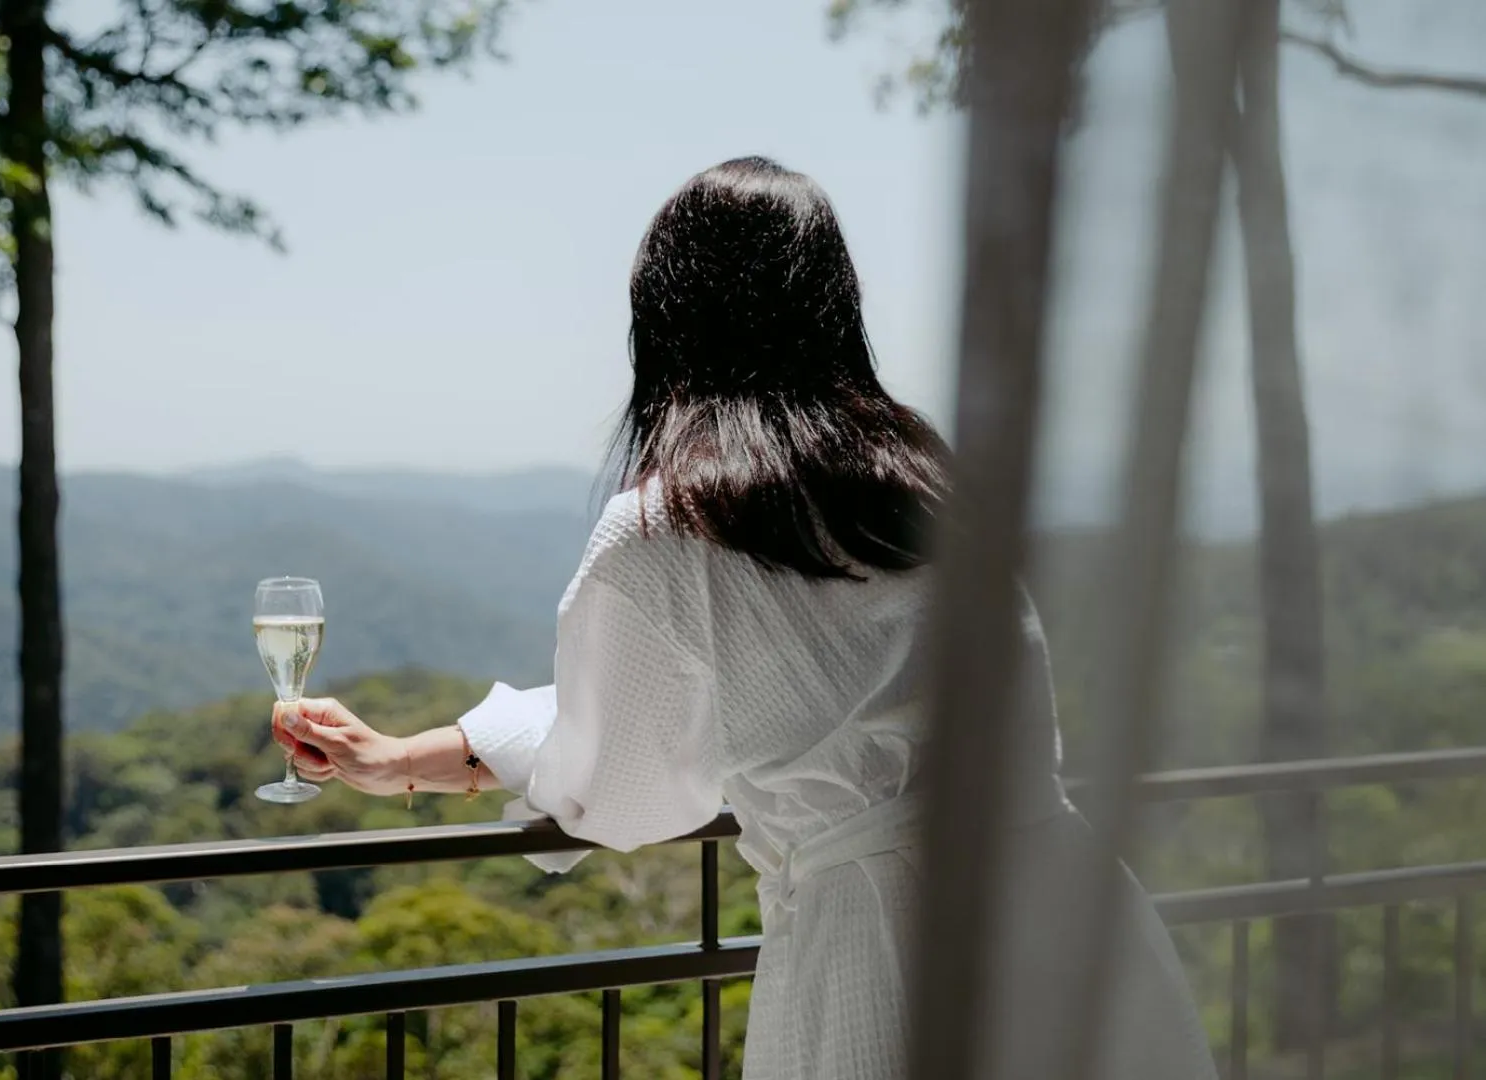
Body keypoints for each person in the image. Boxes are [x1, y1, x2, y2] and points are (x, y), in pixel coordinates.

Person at [271, 156, 1218, 1080]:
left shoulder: (667, 525)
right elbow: (761, 689)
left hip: (890, 945)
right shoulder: (927, 479)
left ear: (665, 320)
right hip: (1073, 918)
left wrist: (423, 765)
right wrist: (417, 755)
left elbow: (628, 784)